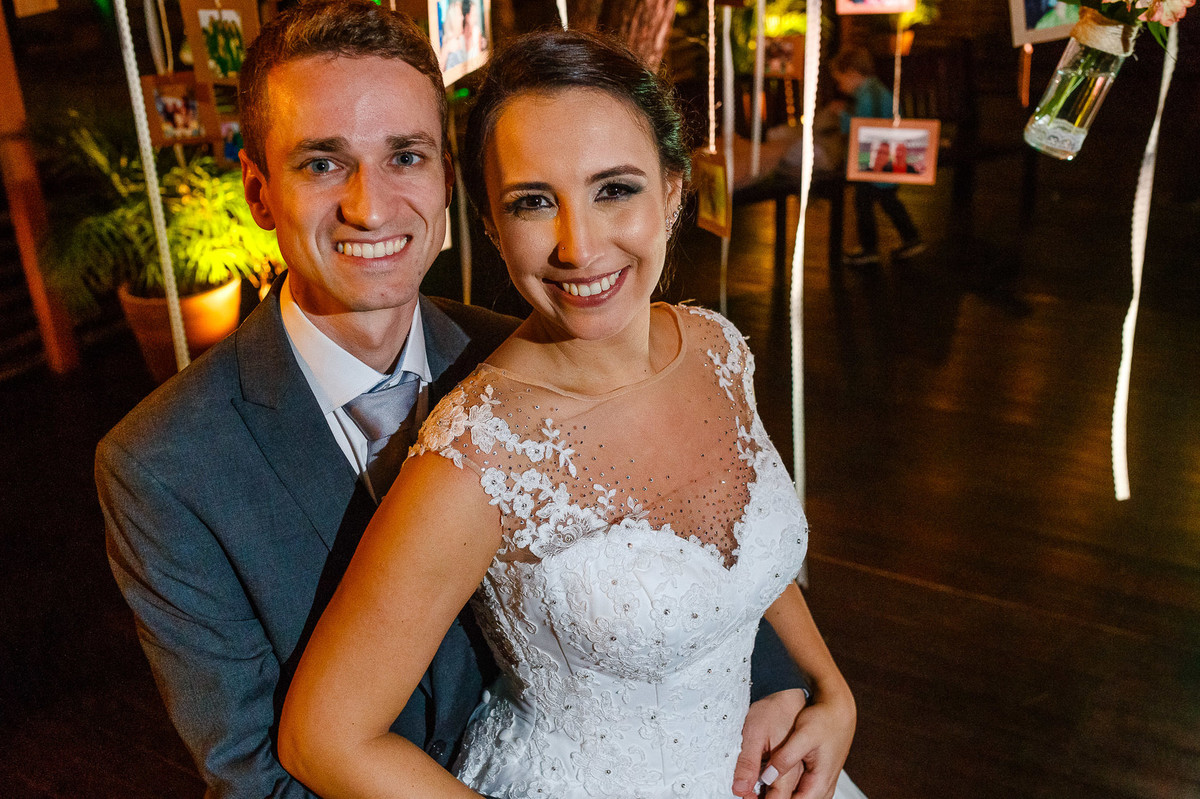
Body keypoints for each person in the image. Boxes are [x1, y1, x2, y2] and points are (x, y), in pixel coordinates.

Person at [97, 3, 836, 797]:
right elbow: (261, 775)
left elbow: (687, 529)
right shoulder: (167, 464)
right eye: (321, 163)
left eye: (405, 156)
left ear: (449, 183)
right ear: (258, 191)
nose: (370, 206)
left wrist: (796, 683)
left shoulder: (541, 348)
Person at [830, 47, 925, 267]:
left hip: (875, 165)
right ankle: (911, 239)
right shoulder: (875, 91)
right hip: (887, 161)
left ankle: (870, 249)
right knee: (888, 201)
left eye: (841, 79)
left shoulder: (868, 97)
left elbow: (862, 129)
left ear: (853, 73)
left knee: (864, 203)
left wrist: (842, 116)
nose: (839, 86)